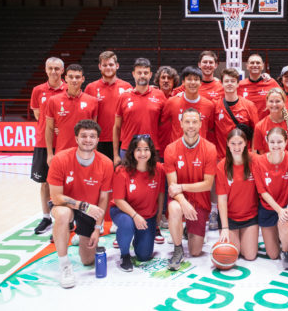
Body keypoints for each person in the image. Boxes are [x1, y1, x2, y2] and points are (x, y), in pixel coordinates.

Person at [47, 119, 113, 288]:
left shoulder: (106, 163)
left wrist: (98, 229)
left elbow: (104, 198)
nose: (88, 139)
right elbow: (55, 197)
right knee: (63, 215)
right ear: (76, 138)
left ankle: (79, 236)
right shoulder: (60, 159)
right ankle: (64, 265)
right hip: (67, 206)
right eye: (83, 136)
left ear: (98, 140)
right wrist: (83, 205)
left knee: (88, 260)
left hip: (89, 211)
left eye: (92, 136)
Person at [164, 108, 217, 270]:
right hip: (180, 200)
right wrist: (184, 203)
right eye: (187, 122)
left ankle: (187, 229)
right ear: (181, 124)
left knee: (195, 251)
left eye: (195, 122)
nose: (191, 125)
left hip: (200, 202)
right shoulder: (171, 149)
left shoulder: (209, 148)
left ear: (201, 124)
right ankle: (178, 249)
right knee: (174, 208)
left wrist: (182, 187)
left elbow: (208, 184)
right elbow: (173, 187)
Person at [111, 134, 165, 271]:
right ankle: (124, 254)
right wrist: (135, 216)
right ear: (132, 152)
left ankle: (137, 238)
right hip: (124, 212)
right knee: (127, 223)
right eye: (138, 149)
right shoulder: (121, 170)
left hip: (147, 215)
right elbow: (118, 200)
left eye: (146, 149)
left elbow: (160, 193)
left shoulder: (159, 169)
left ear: (151, 151)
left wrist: (159, 214)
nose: (142, 153)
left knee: (144, 255)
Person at [252, 127, 288, 269]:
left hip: (287, 207)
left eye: (279, 142)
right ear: (267, 142)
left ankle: (286, 250)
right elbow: (262, 192)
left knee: (285, 222)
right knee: (272, 254)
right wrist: (279, 210)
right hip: (269, 208)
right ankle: (284, 237)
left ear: (286, 142)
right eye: (272, 142)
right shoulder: (259, 161)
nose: (276, 145)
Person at [30, 57, 66, 234]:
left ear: (62, 71)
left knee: (67, 183)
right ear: (46, 70)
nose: (54, 72)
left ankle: (69, 217)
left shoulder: (68, 88)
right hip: (43, 143)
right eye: (50, 68)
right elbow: (38, 116)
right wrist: (52, 128)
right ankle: (46, 218)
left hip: (64, 143)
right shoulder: (38, 91)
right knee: (44, 183)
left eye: (57, 69)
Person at [113, 58, 166, 166]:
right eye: (139, 72)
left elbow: (164, 123)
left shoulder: (159, 95)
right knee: (128, 182)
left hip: (152, 149)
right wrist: (115, 155)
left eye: (145, 73)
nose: (142, 75)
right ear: (133, 74)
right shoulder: (124, 97)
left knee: (152, 182)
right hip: (128, 149)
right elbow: (117, 127)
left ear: (150, 74)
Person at [216, 129, 259, 261]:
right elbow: (222, 199)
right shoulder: (222, 166)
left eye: (240, 143)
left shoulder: (254, 160)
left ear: (246, 143)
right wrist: (224, 227)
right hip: (230, 218)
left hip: (250, 216)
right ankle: (233, 235)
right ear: (228, 144)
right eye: (233, 143)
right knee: (231, 256)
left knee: (250, 256)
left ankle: (245, 237)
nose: (236, 147)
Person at [45, 64, 98, 166]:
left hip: (86, 153)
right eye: (71, 77)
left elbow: (94, 131)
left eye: (77, 77)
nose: (74, 80)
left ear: (82, 79)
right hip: (62, 153)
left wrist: (94, 152)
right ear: (65, 78)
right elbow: (49, 129)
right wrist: (50, 154)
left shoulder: (93, 101)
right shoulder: (53, 101)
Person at [85, 51, 132, 160]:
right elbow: (86, 116)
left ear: (117, 66)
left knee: (120, 174)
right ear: (99, 67)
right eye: (105, 65)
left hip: (122, 140)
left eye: (111, 64)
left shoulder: (127, 87)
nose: (108, 68)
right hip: (99, 140)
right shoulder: (90, 88)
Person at [160, 66, 215, 148]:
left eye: (196, 79)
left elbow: (210, 128)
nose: (192, 82)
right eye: (189, 79)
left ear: (201, 83)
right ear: (183, 82)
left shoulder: (209, 105)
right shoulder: (172, 102)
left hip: (199, 153)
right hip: (177, 152)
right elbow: (162, 124)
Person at [214, 68, 259, 159]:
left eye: (233, 81)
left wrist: (253, 154)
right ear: (222, 84)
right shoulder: (215, 105)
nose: (229, 83)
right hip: (223, 157)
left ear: (238, 84)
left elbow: (256, 132)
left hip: (244, 157)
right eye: (226, 81)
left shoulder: (249, 105)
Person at [253, 87, 288, 156]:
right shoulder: (259, 126)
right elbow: (262, 155)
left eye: (277, 101)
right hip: (269, 165)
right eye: (271, 101)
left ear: (284, 102)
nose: (274, 104)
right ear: (266, 103)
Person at [238, 54, 280, 119]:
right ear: (247, 66)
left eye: (258, 63)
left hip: (266, 125)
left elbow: (282, 101)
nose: (255, 65)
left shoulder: (271, 83)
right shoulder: (240, 85)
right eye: (252, 63)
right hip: (247, 126)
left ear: (262, 66)